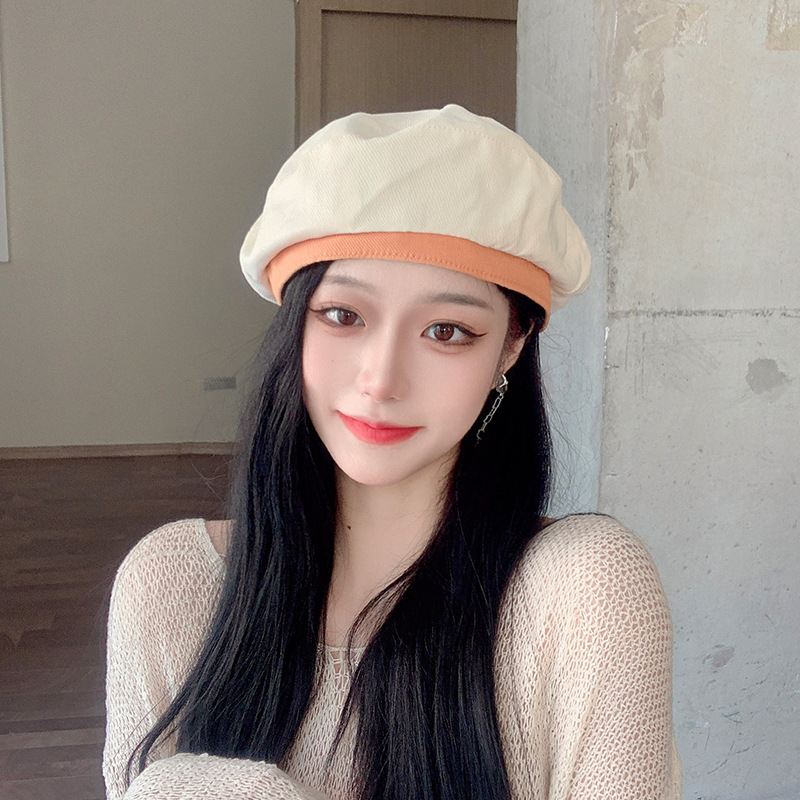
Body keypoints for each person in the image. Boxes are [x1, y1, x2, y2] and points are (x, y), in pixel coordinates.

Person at [103, 105, 681, 800]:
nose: (381, 380)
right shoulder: (170, 585)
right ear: (295, 324)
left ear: (510, 347)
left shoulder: (586, 595)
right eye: (343, 315)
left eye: (447, 330)